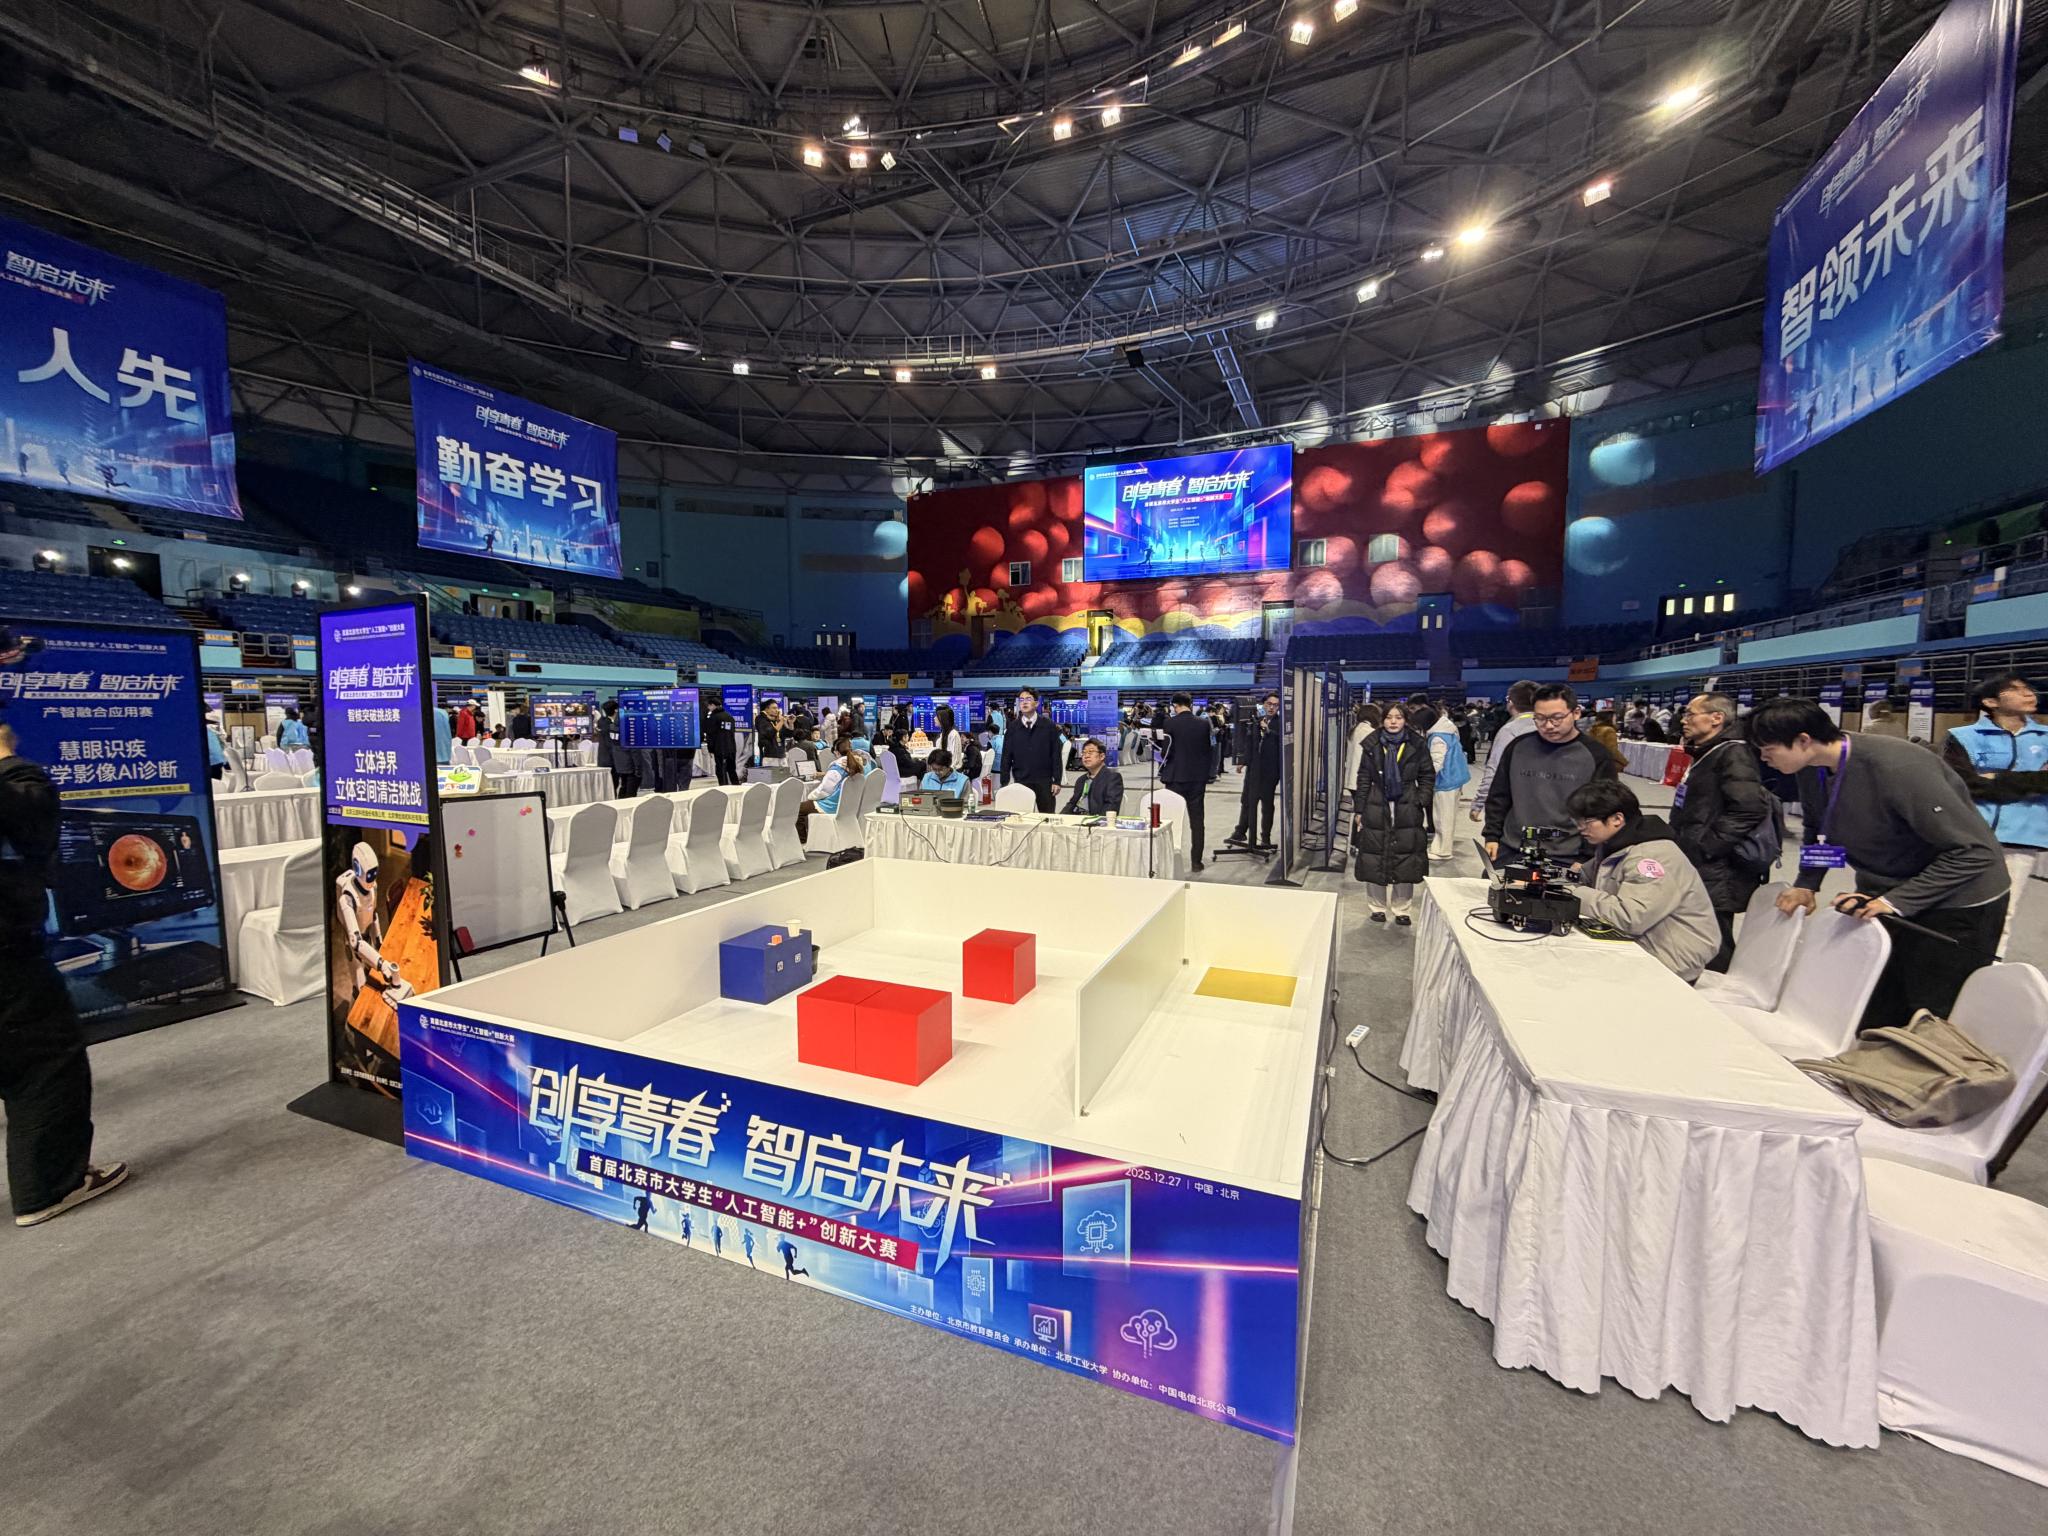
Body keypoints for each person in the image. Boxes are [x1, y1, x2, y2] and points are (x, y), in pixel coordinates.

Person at [1749, 698, 2009, 1032]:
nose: (1763, 758)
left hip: (1957, 901)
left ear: (1803, 740)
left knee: (1928, 1012)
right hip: (1887, 893)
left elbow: (1974, 851)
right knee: (1874, 1003)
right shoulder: (1811, 768)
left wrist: (1895, 901)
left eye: (1768, 748)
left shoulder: (1900, 766)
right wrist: (1807, 884)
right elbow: (1818, 829)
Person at [0, 719, 130, 1226]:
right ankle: (51, 1186)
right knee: (43, 1060)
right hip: (8, 958)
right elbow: (31, 815)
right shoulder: (16, 784)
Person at [1566, 779, 1723, 983]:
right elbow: (1583, 877)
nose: (1581, 829)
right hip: (1641, 946)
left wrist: (1571, 892)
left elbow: (1629, 917)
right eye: (1577, 823)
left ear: (1617, 819)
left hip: (1670, 958)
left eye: (1586, 822)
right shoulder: (1615, 846)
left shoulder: (1651, 857)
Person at [1943, 672, 2048, 957]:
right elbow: (1963, 784)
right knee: (1958, 905)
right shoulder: (1962, 737)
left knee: (2005, 910)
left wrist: (1995, 778)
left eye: (2029, 689)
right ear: (1990, 702)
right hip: (1969, 835)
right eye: (2016, 689)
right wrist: (2031, 781)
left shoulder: (2046, 738)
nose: (2028, 693)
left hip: (2022, 837)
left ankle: (1991, 966)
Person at [1671, 693, 1774, 972]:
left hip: (1719, 867)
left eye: (1690, 714)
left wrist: (1707, 846)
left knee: (1714, 942)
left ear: (1717, 718)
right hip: (1703, 862)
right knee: (1697, 933)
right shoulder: (1709, 752)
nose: (1684, 720)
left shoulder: (1733, 753)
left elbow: (1749, 808)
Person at [1482, 683, 1617, 865]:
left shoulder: (1596, 755)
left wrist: (1586, 856)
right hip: (1513, 849)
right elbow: (1499, 795)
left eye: (1557, 718)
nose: (1548, 725)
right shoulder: (1518, 747)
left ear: (1576, 713)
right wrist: (1492, 835)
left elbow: (1603, 809)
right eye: (1540, 718)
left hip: (1568, 856)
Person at [1351, 702, 1435, 925]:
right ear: (1383, 720)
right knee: (1375, 854)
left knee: (1405, 855)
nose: (1393, 722)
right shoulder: (1372, 743)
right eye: (1389, 717)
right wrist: (1359, 808)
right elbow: (1363, 777)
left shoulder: (1417, 744)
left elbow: (1427, 775)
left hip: (1407, 803)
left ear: (1405, 720)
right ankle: (1377, 907)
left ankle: (1402, 909)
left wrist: (1421, 800)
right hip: (1376, 802)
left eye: (1398, 717)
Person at [1469, 680, 1538, 827]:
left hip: (1514, 800)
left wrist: (1479, 802)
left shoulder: (1511, 730)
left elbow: (1494, 768)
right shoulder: (1549, 727)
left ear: (1511, 702)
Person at [1158, 693, 1214, 872]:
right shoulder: (1203, 723)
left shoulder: (1170, 723)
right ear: (1190, 704)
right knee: (1197, 821)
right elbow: (1208, 750)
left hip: (1175, 777)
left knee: (1171, 820)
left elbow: (1166, 752)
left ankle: (1171, 860)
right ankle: (1196, 862)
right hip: (1197, 778)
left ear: (1175, 705)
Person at [1226, 693, 1283, 850]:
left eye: (1275, 705)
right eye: (1269, 704)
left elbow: (1281, 741)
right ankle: (1240, 831)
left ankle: (1265, 838)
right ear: (1264, 704)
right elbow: (1249, 742)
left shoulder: (1281, 723)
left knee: (1267, 805)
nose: (1271, 707)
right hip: (1254, 769)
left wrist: (1268, 730)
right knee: (1247, 801)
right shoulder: (1255, 721)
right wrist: (1243, 761)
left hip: (1270, 771)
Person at [1420, 702, 1470, 860]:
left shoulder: (1437, 738)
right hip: (1454, 778)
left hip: (1446, 780)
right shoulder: (1447, 729)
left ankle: (1443, 850)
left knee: (1443, 818)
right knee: (1446, 817)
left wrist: (1423, 778)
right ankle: (1441, 847)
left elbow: (1436, 763)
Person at [1002, 686, 1063, 811]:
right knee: (1022, 818)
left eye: (1028, 699)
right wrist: (1004, 782)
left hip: (1045, 781)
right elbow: (1006, 756)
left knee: (1046, 818)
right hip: (1021, 780)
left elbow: (1056, 755)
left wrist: (1057, 780)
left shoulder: (1048, 726)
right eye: (1021, 700)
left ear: (1036, 703)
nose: (1024, 702)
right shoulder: (1013, 728)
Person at [795, 737, 864, 844]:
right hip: (848, 806)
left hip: (831, 806)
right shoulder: (857, 766)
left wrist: (811, 796)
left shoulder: (836, 768)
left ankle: (803, 841)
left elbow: (824, 791)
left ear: (836, 752)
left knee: (798, 809)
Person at [1061, 738, 1124, 816]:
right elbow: (1072, 803)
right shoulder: (1081, 780)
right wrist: (1060, 817)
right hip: (1077, 818)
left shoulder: (1112, 778)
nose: (1086, 756)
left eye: (1090, 752)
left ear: (1102, 756)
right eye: (1084, 752)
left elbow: (1111, 807)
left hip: (1096, 820)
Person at [596, 698, 626, 796]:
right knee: (613, 784)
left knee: (610, 785)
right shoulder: (611, 726)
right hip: (612, 758)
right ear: (616, 710)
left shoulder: (601, 722)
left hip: (604, 758)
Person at [707, 698, 740, 785]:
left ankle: (723, 788)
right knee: (732, 770)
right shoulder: (729, 716)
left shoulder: (713, 717)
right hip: (731, 747)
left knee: (721, 770)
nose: (708, 708)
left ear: (713, 705)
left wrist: (710, 748)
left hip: (719, 748)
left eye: (709, 706)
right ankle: (736, 786)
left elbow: (711, 734)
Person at [204, 713, 229, 780]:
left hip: (212, 761)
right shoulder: (218, 731)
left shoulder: (206, 730)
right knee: (216, 779)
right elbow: (223, 745)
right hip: (219, 760)